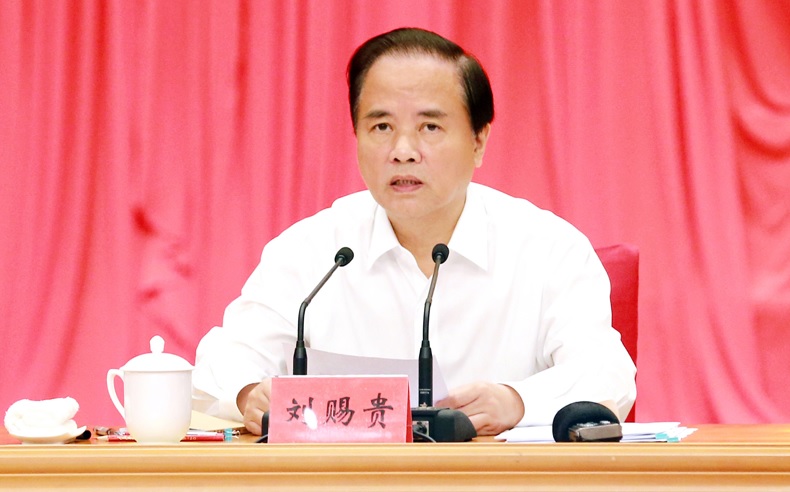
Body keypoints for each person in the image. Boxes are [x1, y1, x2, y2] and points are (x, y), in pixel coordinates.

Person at [192, 27, 636, 436]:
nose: (403, 151)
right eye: (382, 126)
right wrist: (249, 393)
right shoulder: (312, 251)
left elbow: (608, 375)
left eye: (430, 127)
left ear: (479, 141)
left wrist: (517, 401)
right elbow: (219, 365)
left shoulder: (548, 248)